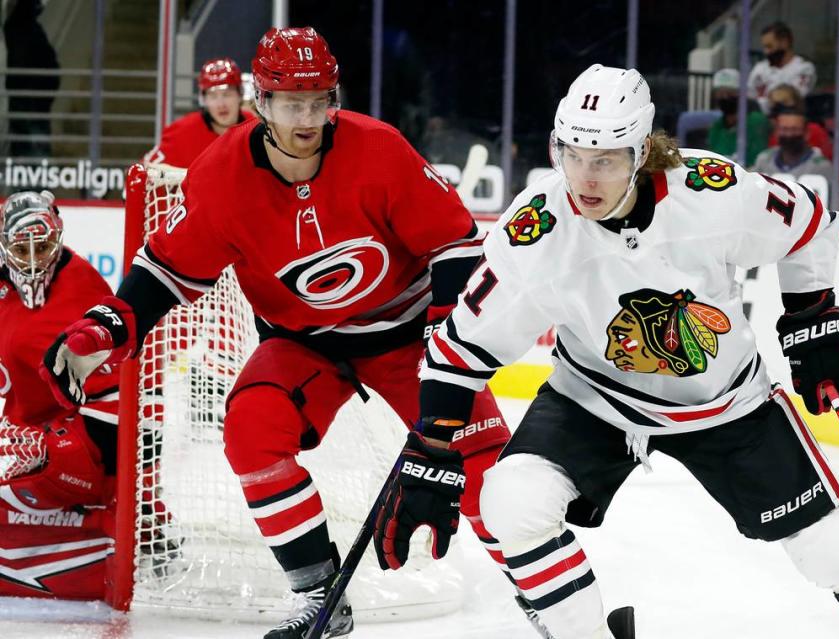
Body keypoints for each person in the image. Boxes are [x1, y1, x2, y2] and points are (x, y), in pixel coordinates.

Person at [379, 64, 839, 639]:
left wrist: (812, 313)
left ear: (642, 152)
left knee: (832, 549)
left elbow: (809, 222)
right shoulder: (537, 231)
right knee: (511, 499)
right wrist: (434, 444)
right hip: (595, 400)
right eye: (571, 154)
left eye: (606, 160)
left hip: (726, 405)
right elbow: (462, 347)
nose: (584, 178)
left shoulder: (711, 193)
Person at [40, 27, 513, 639]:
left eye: (320, 99)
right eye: (293, 102)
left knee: (489, 472)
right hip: (305, 345)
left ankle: (546, 598)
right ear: (259, 103)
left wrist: (447, 364)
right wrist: (108, 326)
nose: (310, 116)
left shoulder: (380, 150)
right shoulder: (220, 176)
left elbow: (455, 246)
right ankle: (320, 595)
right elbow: (167, 271)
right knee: (251, 429)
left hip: (409, 340)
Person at [0, 191, 118, 599]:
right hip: (20, 434)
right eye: (20, 247)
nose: (33, 259)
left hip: (73, 445)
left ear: (60, 236)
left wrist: (53, 441)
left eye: (43, 245)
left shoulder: (87, 291)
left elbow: (122, 402)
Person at [144, 57, 257, 168]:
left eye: (227, 94)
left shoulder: (255, 129)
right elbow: (146, 173)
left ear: (240, 95)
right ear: (203, 100)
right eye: (213, 96)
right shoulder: (182, 133)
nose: (221, 104)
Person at [3, 0, 60, 158]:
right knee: (33, 150)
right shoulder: (20, 27)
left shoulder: (23, 28)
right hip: (30, 103)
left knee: (31, 149)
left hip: (31, 103)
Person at [748, 21, 817, 114]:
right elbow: (748, 99)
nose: (766, 52)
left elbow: (791, 99)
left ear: (784, 42)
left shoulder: (804, 68)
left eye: (769, 47)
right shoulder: (759, 68)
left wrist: (765, 101)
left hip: (789, 119)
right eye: (764, 47)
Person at [706, 68, 770, 166]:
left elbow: (757, 163)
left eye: (730, 93)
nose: (725, 97)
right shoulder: (716, 127)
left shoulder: (756, 122)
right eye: (720, 93)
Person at [753, 106, 833, 182]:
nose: (789, 134)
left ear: (806, 133)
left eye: (794, 129)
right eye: (784, 129)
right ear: (777, 132)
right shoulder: (764, 160)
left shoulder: (821, 167)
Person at [766, 83, 833, 160]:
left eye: (784, 105)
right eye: (775, 107)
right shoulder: (774, 134)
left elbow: (828, 160)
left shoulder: (814, 130)